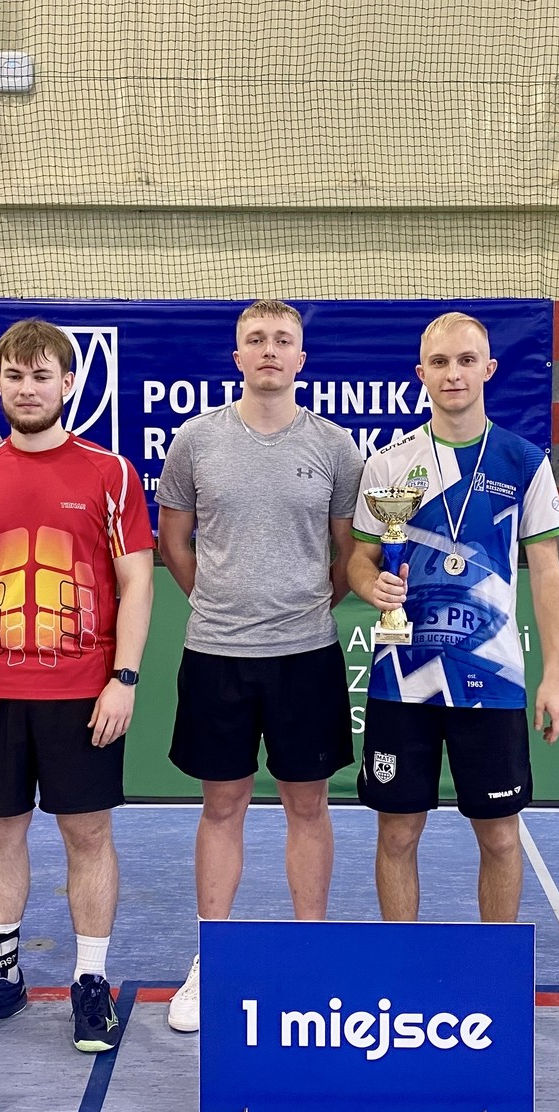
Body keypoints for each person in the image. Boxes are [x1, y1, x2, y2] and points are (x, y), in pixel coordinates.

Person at [0, 319, 154, 1052]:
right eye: (16, 377)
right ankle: (1, 976)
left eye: (42, 376)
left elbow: (137, 581)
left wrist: (123, 678)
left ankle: (90, 981)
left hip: (83, 694)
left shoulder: (111, 474)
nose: (29, 389)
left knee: (88, 834)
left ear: (67, 384)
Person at [156, 299, 363, 1034]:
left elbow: (349, 554)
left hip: (306, 655)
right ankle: (212, 957)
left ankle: (310, 951)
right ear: (237, 356)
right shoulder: (196, 440)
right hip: (217, 654)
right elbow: (174, 542)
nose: (269, 350)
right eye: (256, 340)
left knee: (309, 806)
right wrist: (219, 602)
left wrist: (303, 607)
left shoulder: (336, 447)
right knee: (222, 807)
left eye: (283, 340)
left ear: (301, 358)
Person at [349, 312, 559, 923]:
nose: (454, 374)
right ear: (420, 373)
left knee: (499, 834)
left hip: (493, 680)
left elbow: (547, 571)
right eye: (440, 362)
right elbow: (359, 559)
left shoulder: (524, 461)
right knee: (398, 832)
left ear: (488, 369)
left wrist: (553, 676)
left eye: (467, 361)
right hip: (401, 677)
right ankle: (402, 959)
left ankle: (493, 964)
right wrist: (371, 585)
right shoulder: (388, 464)